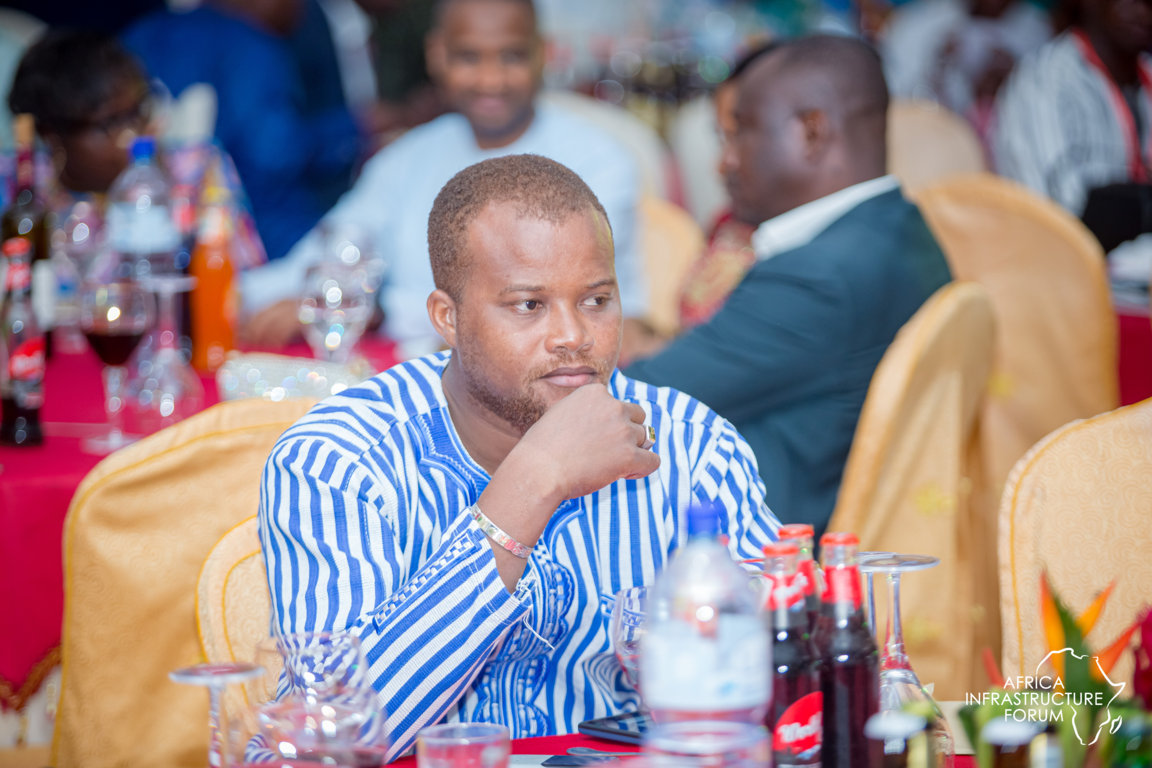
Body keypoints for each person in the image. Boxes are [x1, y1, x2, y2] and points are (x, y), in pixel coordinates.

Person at [259, 154, 780, 758]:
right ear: (448, 318)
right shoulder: (338, 463)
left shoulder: (694, 449)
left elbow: (779, 683)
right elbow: (332, 739)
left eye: (596, 300)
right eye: (529, 305)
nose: (573, 336)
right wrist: (535, 480)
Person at [626, 35, 952, 537]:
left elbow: (634, 402)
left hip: (765, 545)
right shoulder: (905, 230)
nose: (724, 162)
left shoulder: (818, 276)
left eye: (741, 133)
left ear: (812, 132)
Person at [240, 0, 646, 360]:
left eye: (512, 56)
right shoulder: (406, 158)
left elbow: (548, 309)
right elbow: (331, 251)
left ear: (543, 53)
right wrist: (259, 296)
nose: (491, 80)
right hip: (407, 372)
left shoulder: (596, 160)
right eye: (469, 57)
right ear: (437, 55)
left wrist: (382, 314)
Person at [123, 0, 369, 260]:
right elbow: (275, 153)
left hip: (157, 243)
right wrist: (354, 128)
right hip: (261, 245)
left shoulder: (140, 35)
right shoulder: (253, 47)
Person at [993, 0, 1152, 252]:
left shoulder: (1146, 75)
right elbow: (1064, 214)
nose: (1143, 12)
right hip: (1060, 262)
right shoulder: (1045, 80)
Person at [880, 0, 1050, 147]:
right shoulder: (920, 24)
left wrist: (1014, 78)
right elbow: (900, 102)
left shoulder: (1037, 31)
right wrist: (939, 66)